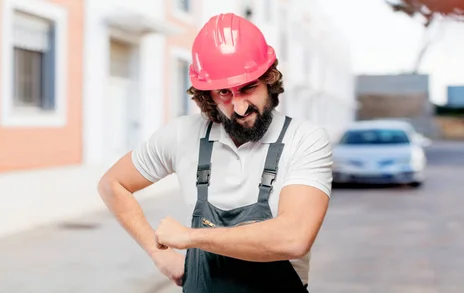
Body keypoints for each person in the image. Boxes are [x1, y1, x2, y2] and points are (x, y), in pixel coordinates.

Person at [97, 12, 332, 293]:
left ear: (269, 79)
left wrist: (191, 237)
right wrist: (159, 253)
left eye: (248, 88)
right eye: (224, 93)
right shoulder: (183, 135)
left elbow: (294, 237)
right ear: (206, 95)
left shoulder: (304, 140)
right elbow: (113, 184)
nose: (241, 107)